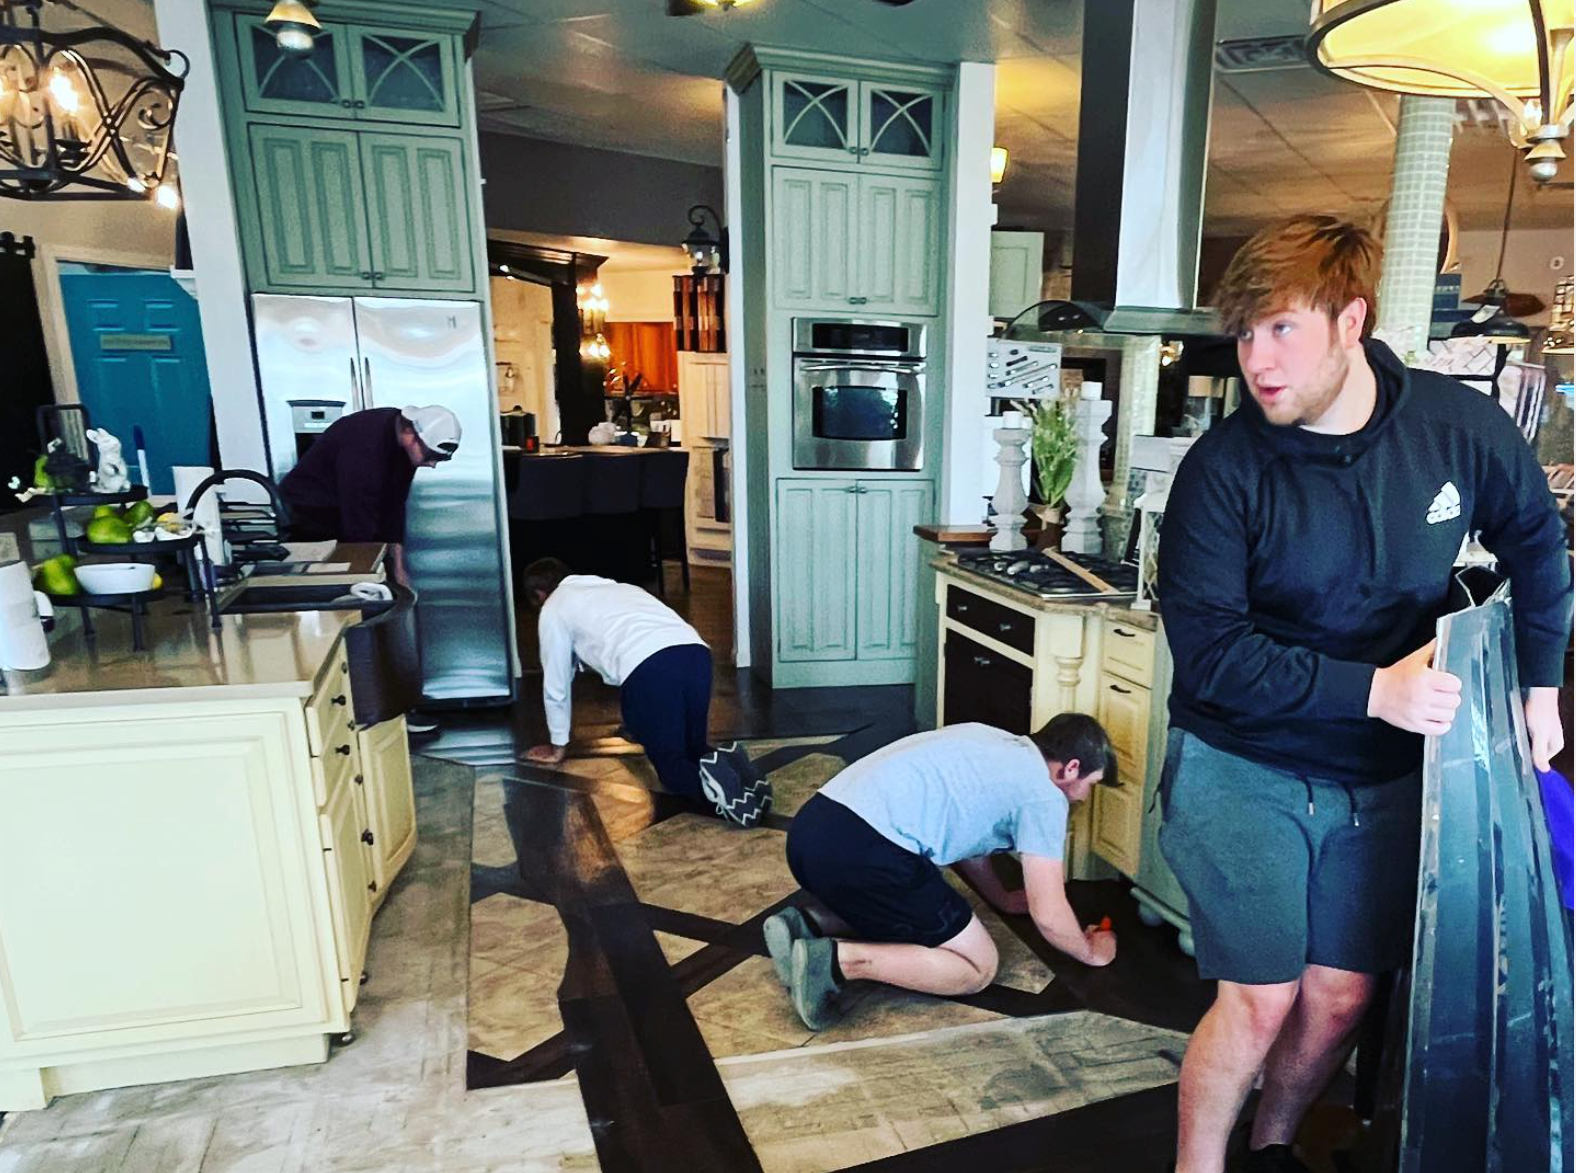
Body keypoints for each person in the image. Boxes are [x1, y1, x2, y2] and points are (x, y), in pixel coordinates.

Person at [1150, 214, 1572, 1173]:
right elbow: (1208, 655)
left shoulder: (1452, 428)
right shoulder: (1222, 471)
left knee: (1339, 997)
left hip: (1377, 780)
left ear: (1351, 320)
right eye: (1242, 335)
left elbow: (1536, 535)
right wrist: (1370, 690)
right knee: (1262, 995)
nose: (1255, 360)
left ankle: (1272, 1144)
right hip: (1239, 760)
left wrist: (1539, 679)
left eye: (1280, 330)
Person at [764, 714, 1119, 1030]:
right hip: (863, 853)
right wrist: (1091, 952)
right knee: (976, 965)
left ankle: (806, 925)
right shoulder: (1044, 795)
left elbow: (966, 842)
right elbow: (1050, 915)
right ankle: (836, 961)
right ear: (1070, 768)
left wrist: (1003, 899)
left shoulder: (990, 738)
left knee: (901, 904)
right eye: (1091, 784)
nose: (1084, 797)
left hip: (810, 834)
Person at [521, 558, 771, 827]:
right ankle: (737, 772)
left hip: (651, 667)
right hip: (695, 653)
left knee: (672, 768)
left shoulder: (554, 606)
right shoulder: (618, 588)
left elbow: (556, 680)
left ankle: (724, 800)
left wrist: (558, 744)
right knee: (693, 747)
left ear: (539, 594)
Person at [278, 404, 461, 591]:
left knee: (375, 575)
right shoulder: (365, 443)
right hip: (311, 512)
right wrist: (368, 580)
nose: (432, 464)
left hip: (349, 512)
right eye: (430, 455)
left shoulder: (402, 441)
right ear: (409, 434)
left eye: (440, 459)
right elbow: (358, 519)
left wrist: (398, 568)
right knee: (343, 587)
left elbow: (395, 507)